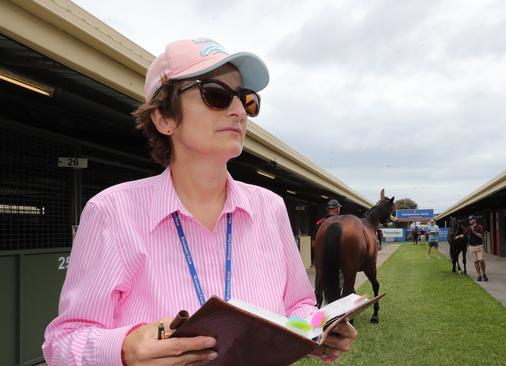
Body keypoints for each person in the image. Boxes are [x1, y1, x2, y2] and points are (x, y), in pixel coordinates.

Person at [42, 37, 356, 365]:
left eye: (246, 100)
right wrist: (124, 348)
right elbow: (63, 342)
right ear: (164, 118)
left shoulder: (271, 208)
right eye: (216, 94)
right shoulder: (112, 212)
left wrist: (319, 328)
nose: (238, 111)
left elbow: (298, 306)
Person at [455, 215, 488, 281]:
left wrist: (474, 232)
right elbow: (464, 235)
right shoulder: (468, 228)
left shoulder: (479, 227)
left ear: (474, 220)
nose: (470, 221)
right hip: (471, 247)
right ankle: (479, 275)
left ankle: (484, 274)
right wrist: (458, 236)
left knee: (481, 260)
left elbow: (481, 236)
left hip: (479, 246)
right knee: (475, 262)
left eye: (471, 219)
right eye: (469, 220)